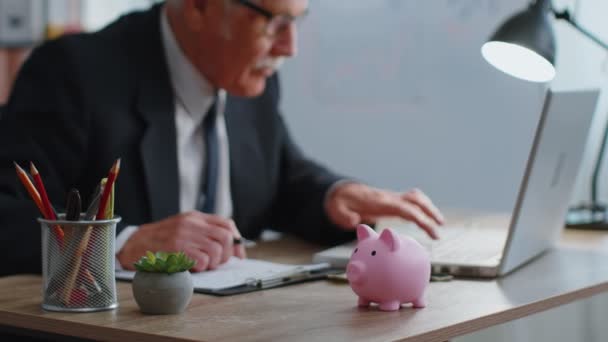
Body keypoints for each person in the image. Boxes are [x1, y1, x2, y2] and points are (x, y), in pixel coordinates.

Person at [0, 0, 444, 276]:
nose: (290, 47)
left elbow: (280, 178)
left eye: (298, 22)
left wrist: (335, 195)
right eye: (273, 23)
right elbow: (7, 216)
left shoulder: (249, 74)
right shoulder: (74, 75)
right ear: (198, 7)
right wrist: (122, 244)